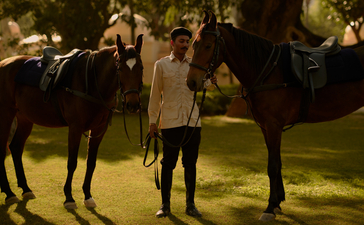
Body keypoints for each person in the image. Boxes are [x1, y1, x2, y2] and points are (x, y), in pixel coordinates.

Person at [148, 27, 216, 218]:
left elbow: (202, 86)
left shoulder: (195, 65)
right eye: (181, 41)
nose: (185, 45)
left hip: (192, 122)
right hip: (170, 122)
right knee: (168, 164)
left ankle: (190, 205)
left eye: (187, 41)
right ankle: (165, 205)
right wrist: (152, 121)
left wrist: (210, 82)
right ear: (172, 43)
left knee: (191, 164)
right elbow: (154, 96)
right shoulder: (161, 65)